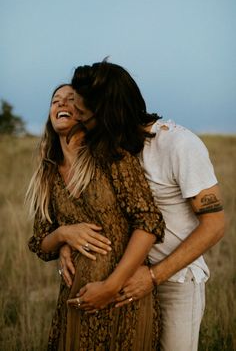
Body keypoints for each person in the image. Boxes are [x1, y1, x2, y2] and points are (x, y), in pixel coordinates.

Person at [60, 61, 225, 351]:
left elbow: (215, 226)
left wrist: (152, 277)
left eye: (85, 116)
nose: (79, 123)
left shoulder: (179, 145)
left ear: (109, 113)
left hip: (174, 282)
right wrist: (66, 242)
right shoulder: (107, 149)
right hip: (120, 277)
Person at [26, 83, 165, 350]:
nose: (62, 104)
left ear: (85, 112)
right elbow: (41, 244)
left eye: (71, 100)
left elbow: (148, 221)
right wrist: (64, 234)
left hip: (124, 296)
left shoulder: (111, 157)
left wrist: (112, 286)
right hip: (79, 300)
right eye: (56, 100)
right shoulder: (48, 174)